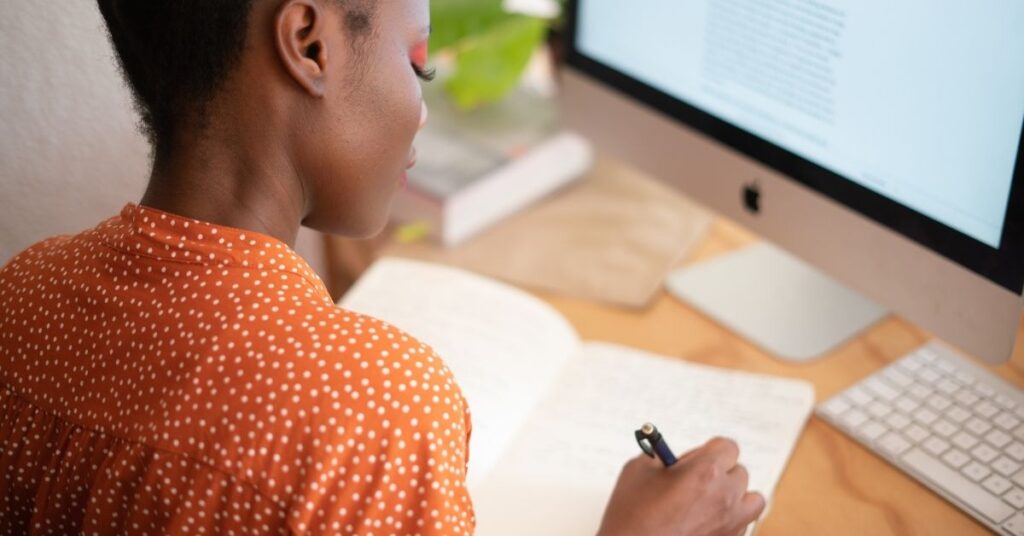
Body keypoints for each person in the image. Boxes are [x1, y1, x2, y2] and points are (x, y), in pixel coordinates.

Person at [0, 0, 765, 534]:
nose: (422, 109)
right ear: (308, 44)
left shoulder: (20, 297)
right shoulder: (371, 412)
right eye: (418, 63)